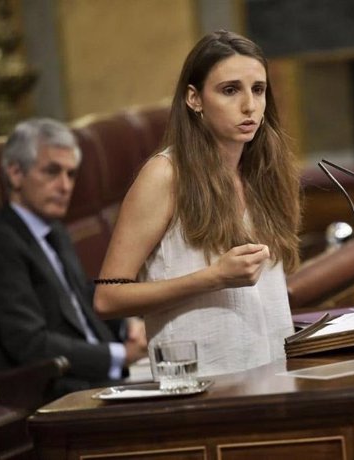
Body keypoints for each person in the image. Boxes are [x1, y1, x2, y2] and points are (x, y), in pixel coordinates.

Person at [93, 30, 302, 377]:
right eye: (230, 90)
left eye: (258, 89)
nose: (249, 105)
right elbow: (108, 298)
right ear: (194, 98)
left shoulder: (267, 173)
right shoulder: (165, 175)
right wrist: (214, 278)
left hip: (272, 375)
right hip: (197, 386)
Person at [0, 118, 147, 398]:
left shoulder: (55, 229)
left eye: (71, 174)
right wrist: (118, 355)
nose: (65, 186)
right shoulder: (2, 241)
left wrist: (127, 325)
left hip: (102, 377)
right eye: (52, 172)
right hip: (61, 390)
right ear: (15, 173)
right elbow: (29, 343)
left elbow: (80, 295)